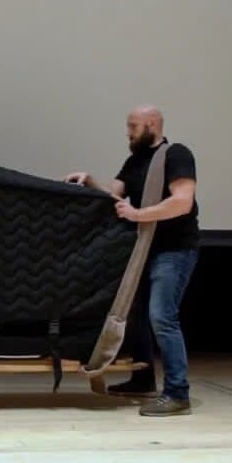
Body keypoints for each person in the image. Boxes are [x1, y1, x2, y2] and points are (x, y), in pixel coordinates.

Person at [63, 104, 199, 416]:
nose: (128, 132)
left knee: (162, 317)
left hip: (174, 250)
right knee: (136, 316)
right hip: (144, 250)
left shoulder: (177, 154)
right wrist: (90, 182)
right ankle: (143, 380)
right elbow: (114, 195)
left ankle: (178, 393)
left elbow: (182, 202)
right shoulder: (135, 160)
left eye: (133, 126)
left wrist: (139, 214)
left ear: (152, 124)